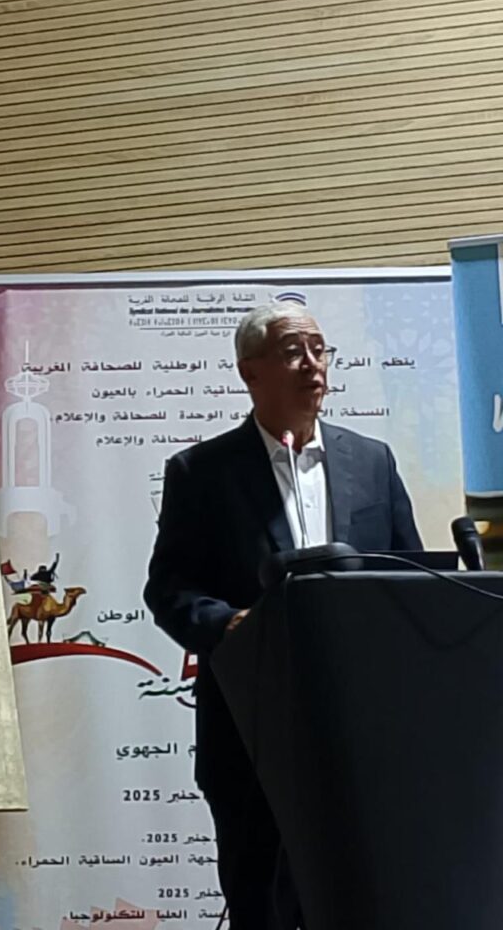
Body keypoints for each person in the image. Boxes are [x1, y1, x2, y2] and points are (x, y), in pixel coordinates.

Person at [143, 302, 422, 930]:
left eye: (320, 350)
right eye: (294, 351)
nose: (313, 365)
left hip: (363, 733)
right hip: (252, 733)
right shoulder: (201, 473)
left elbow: (408, 575)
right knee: (263, 909)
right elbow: (169, 588)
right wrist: (228, 625)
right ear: (250, 372)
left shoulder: (373, 462)